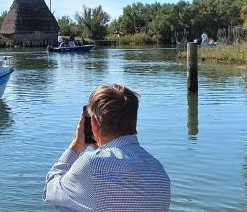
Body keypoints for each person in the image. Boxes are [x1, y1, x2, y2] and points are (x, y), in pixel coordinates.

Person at [44, 83, 171, 211]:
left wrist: (75, 147)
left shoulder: (91, 164)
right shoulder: (158, 169)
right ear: (133, 120)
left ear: (93, 122)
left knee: (67, 203)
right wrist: (101, 149)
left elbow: (50, 192)